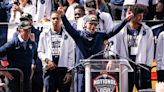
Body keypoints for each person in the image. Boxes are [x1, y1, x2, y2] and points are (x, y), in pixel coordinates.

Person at [57, 3, 133, 92]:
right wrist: (63, 16)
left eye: (95, 24)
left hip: (96, 71)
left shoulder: (100, 36)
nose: (93, 26)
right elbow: (69, 28)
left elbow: (113, 31)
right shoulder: (78, 35)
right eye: (91, 24)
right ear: (85, 24)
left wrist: (125, 20)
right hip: (81, 72)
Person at [106, 4, 154, 92]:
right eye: (138, 15)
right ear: (131, 15)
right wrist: (112, 59)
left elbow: (150, 49)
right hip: (125, 65)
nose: (140, 18)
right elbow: (114, 45)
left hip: (141, 66)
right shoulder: (120, 30)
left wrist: (148, 66)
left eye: (142, 15)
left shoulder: (147, 30)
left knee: (145, 90)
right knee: (125, 89)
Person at [37, 11, 75, 92]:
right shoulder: (44, 34)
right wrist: (47, 60)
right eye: (53, 18)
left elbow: (71, 54)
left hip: (63, 71)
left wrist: (69, 72)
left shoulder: (68, 35)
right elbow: (40, 52)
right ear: (50, 20)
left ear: (61, 20)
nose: (55, 20)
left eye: (57, 18)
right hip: (49, 70)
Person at [0, 21, 37, 92]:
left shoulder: (33, 44)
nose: (28, 33)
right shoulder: (12, 44)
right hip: (13, 79)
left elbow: (35, 56)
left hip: (27, 79)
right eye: (25, 30)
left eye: (29, 30)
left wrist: (33, 65)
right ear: (19, 31)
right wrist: (4, 71)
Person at [19, 13, 43, 92]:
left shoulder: (39, 34)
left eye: (26, 20)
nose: (24, 22)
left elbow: (40, 50)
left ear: (31, 21)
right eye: (22, 20)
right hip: (23, 68)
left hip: (37, 68)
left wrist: (33, 62)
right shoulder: (18, 33)